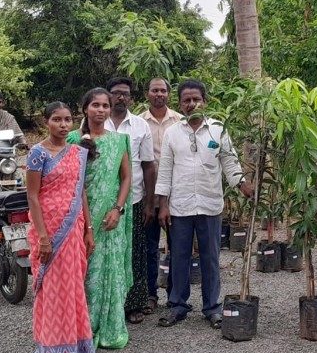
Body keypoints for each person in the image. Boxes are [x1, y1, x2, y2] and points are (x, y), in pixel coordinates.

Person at [155, 79, 253, 328]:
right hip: (180, 206)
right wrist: (163, 205)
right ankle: (178, 305)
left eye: (196, 99)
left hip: (210, 204)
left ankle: (212, 307)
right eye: (186, 100)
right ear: (180, 104)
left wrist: (242, 185)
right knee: (179, 257)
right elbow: (165, 170)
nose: (191, 104)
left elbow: (230, 162)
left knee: (210, 257)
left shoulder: (217, 129)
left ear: (204, 101)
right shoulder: (172, 133)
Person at [26, 102, 96, 353]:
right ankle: (52, 347)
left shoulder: (77, 153)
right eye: (57, 119)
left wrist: (88, 230)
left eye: (67, 120)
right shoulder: (37, 154)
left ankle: (76, 344)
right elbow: (32, 196)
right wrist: (43, 237)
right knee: (53, 287)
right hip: (49, 230)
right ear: (47, 122)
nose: (63, 125)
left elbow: (81, 193)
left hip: (74, 228)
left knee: (73, 286)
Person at [67, 88, 133, 349]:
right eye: (95, 105)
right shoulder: (73, 139)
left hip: (110, 220)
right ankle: (82, 329)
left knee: (110, 271)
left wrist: (117, 209)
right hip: (80, 219)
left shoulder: (118, 141)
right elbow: (71, 182)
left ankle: (111, 328)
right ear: (85, 108)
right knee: (83, 272)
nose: (101, 110)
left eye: (105, 106)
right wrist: (86, 222)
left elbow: (126, 177)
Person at [104, 77, 156, 325]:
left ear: (131, 98)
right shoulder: (94, 121)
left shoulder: (140, 126)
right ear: (108, 96)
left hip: (134, 199)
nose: (121, 98)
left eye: (125, 94)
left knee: (134, 253)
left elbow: (148, 166)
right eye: (116, 93)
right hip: (101, 200)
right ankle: (107, 304)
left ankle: (134, 304)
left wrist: (149, 202)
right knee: (105, 254)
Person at [139, 77, 182, 313]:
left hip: (175, 197)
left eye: (163, 90)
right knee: (149, 247)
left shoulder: (180, 121)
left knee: (176, 247)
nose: (159, 94)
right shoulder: (138, 122)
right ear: (147, 94)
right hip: (147, 197)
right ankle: (150, 294)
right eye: (154, 90)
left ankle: (174, 294)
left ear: (169, 94)